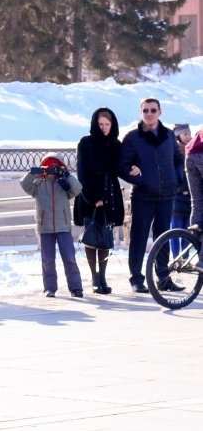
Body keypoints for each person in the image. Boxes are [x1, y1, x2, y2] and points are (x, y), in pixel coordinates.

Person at [119, 98, 181, 293]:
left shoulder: (169, 136)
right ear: (141, 113)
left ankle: (163, 277)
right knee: (139, 237)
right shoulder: (132, 138)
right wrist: (139, 179)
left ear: (160, 112)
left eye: (153, 110)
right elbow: (122, 165)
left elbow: (179, 160)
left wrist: (176, 178)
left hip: (167, 196)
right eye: (145, 110)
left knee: (163, 237)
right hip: (143, 197)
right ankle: (136, 279)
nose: (149, 114)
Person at [74, 108, 125, 295]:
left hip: (110, 194)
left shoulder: (115, 144)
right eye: (101, 124)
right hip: (90, 195)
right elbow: (82, 172)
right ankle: (94, 277)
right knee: (91, 236)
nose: (104, 128)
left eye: (107, 124)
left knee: (105, 236)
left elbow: (121, 168)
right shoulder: (86, 143)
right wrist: (94, 198)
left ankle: (103, 277)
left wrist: (134, 167)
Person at [21, 154, 84, 298]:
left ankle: (76, 288)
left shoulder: (64, 184)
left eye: (55, 166)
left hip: (63, 227)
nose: (52, 169)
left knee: (69, 258)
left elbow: (78, 188)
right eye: (49, 166)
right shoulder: (38, 184)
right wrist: (35, 172)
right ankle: (50, 288)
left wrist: (66, 175)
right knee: (47, 260)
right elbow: (24, 184)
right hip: (45, 227)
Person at [170, 123, 192, 257]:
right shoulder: (174, 152)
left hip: (190, 198)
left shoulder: (192, 151)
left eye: (189, 134)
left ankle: (185, 257)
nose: (188, 137)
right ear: (178, 136)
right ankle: (176, 257)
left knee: (187, 231)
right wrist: (180, 189)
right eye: (185, 134)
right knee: (175, 231)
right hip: (177, 198)